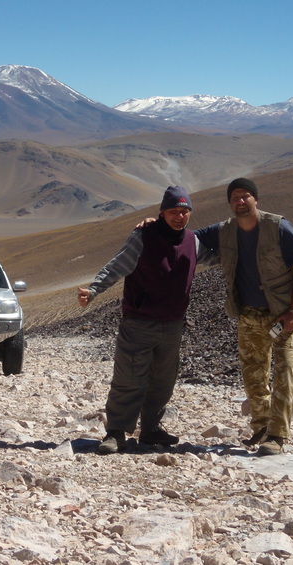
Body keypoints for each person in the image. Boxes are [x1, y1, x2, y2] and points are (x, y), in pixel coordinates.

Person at [78, 185, 203, 454]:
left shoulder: (193, 240)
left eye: (184, 211)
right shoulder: (144, 235)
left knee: (163, 380)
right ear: (161, 213)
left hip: (172, 325)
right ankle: (116, 432)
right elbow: (118, 264)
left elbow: (223, 244)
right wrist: (95, 289)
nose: (179, 217)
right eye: (173, 211)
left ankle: (150, 430)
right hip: (139, 322)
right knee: (129, 377)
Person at [195, 177, 293, 456]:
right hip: (249, 313)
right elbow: (189, 238)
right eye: (235, 197)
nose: (240, 201)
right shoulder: (224, 231)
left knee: (285, 370)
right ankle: (261, 425)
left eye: (246, 196)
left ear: (256, 199)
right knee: (253, 373)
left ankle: (277, 435)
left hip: (283, 313)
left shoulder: (278, 227)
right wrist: (154, 225)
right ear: (229, 203)